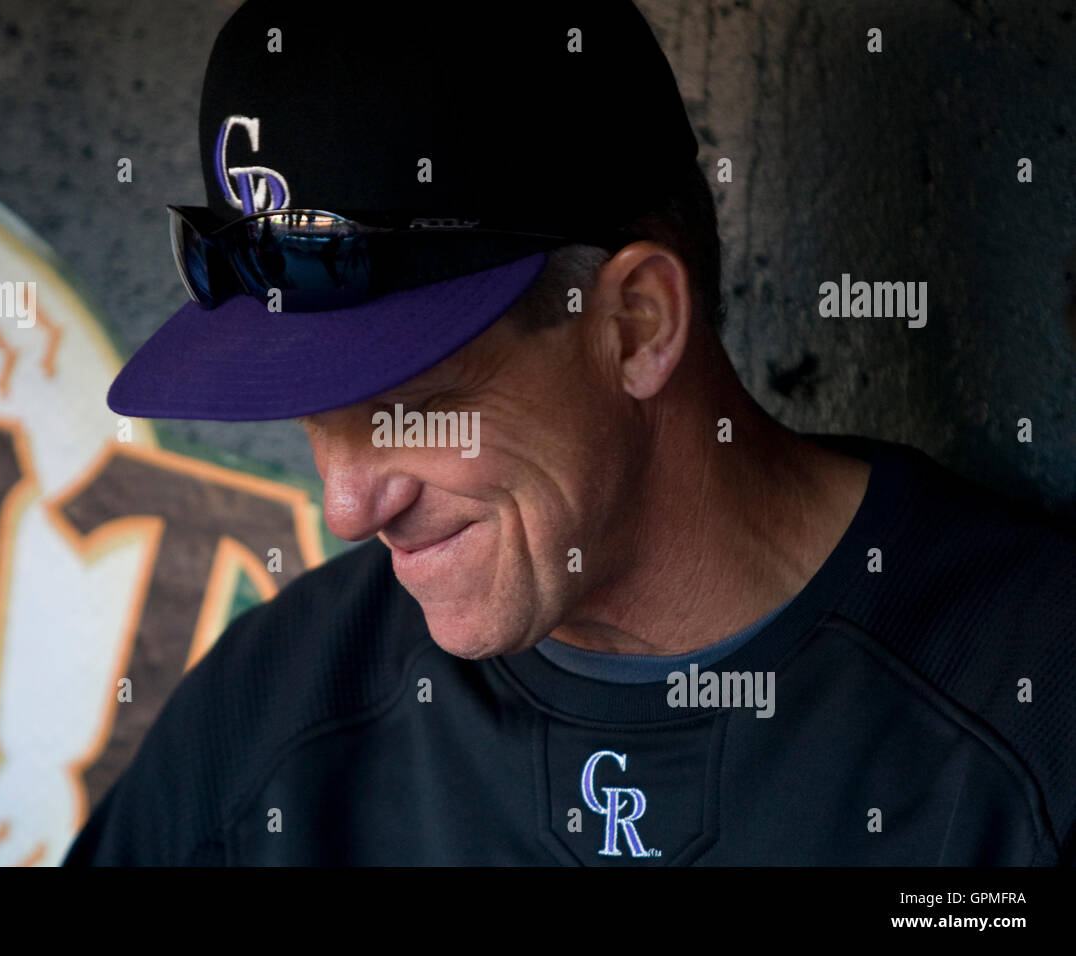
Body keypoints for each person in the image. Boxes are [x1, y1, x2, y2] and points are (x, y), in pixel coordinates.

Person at [63, 0, 1076, 865]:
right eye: (310, 412)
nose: (344, 505)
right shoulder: (280, 708)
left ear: (634, 323)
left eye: (402, 408)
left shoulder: (1028, 708)